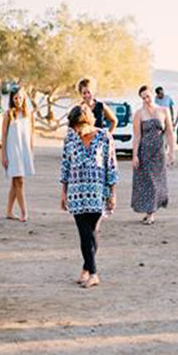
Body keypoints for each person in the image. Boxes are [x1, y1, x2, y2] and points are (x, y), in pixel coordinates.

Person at [60, 104, 118, 288]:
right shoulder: (70, 139)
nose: (77, 130)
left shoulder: (103, 137)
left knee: (91, 234)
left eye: (80, 126)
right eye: (74, 127)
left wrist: (113, 194)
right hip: (76, 193)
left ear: (88, 121)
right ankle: (93, 273)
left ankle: (87, 268)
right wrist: (63, 192)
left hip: (98, 192)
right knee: (84, 233)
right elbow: (65, 166)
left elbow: (111, 166)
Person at [131, 85, 174, 224]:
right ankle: (150, 213)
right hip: (144, 152)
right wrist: (135, 155)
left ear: (152, 95)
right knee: (147, 183)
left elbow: (169, 133)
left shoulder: (163, 110)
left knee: (157, 182)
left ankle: (151, 210)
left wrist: (171, 152)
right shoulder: (139, 113)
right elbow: (137, 136)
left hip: (159, 152)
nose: (146, 100)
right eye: (143, 98)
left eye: (147, 96)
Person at [0, 87, 35, 221]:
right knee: (19, 181)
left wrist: (31, 151)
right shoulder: (8, 114)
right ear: (11, 99)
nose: (18, 100)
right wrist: (3, 155)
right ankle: (24, 212)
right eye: (15, 98)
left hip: (24, 150)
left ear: (24, 98)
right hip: (12, 151)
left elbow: (31, 133)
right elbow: (3, 135)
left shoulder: (29, 113)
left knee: (15, 183)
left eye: (20, 97)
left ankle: (9, 211)